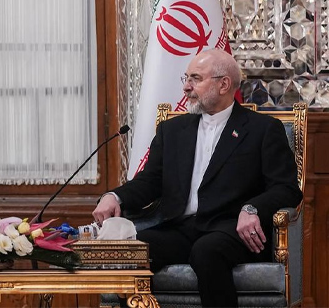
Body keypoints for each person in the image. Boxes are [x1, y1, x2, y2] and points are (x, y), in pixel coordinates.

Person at [92, 49, 303, 308]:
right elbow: (150, 181)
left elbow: (286, 188)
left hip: (230, 229)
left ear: (223, 84)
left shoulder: (263, 129)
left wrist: (252, 208)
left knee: (206, 251)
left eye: (195, 78)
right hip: (181, 229)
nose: (186, 87)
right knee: (131, 251)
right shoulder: (172, 130)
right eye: (186, 78)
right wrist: (114, 196)